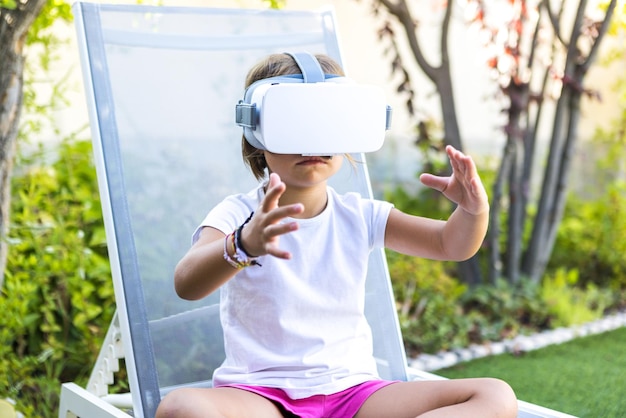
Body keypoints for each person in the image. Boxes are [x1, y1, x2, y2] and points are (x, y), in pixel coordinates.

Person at [156, 53, 517, 418]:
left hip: (356, 395)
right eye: (294, 124)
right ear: (257, 136)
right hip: (262, 397)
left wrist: (474, 211)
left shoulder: (361, 214)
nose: (313, 142)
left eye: (329, 123)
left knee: (494, 395)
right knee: (180, 409)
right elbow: (187, 283)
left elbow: (449, 244)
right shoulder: (237, 214)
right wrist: (244, 242)